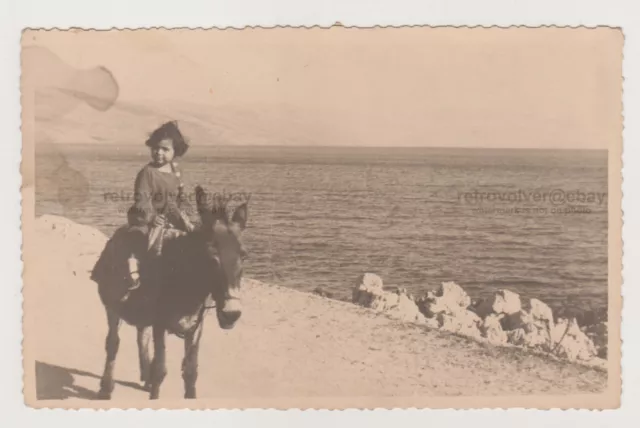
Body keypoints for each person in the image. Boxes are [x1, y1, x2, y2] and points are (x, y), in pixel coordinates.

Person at [125, 121, 195, 290]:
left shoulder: (175, 171)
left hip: (171, 213)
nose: (159, 152)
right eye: (156, 148)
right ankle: (133, 268)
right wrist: (152, 217)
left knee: (193, 235)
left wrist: (187, 215)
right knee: (141, 236)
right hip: (147, 215)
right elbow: (142, 199)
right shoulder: (147, 173)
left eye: (165, 149)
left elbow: (180, 197)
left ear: (175, 151)